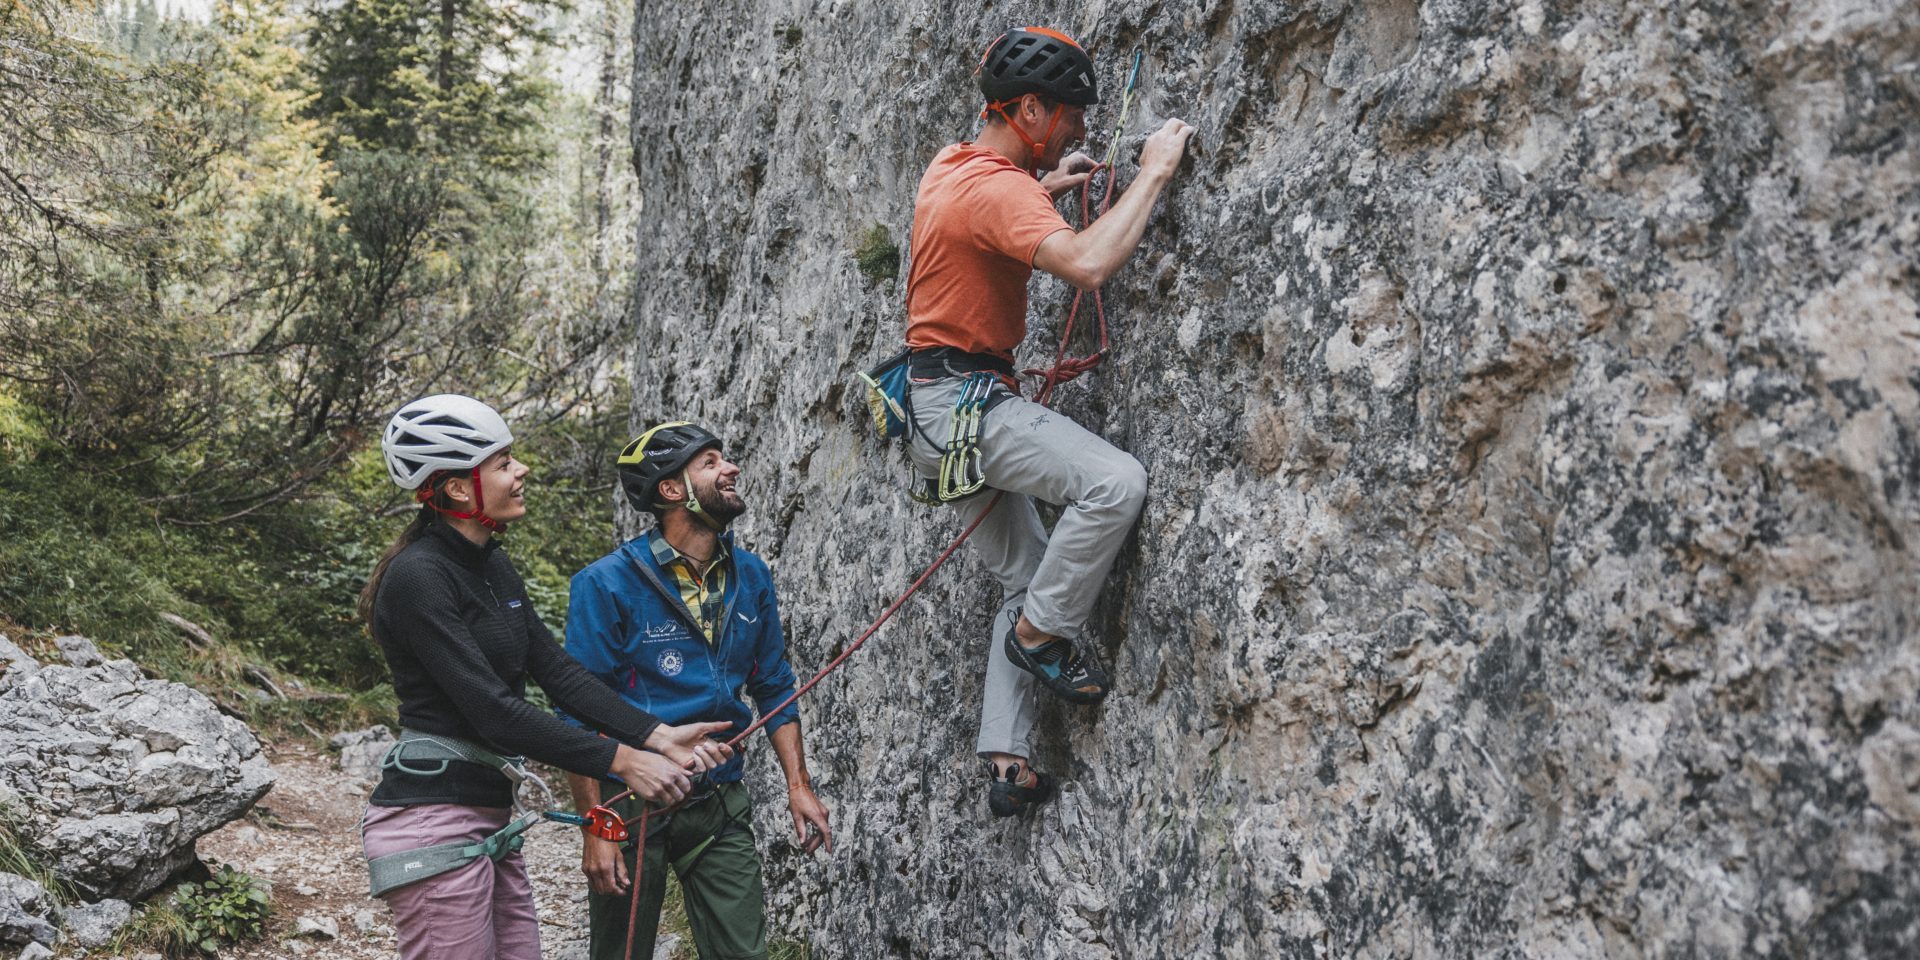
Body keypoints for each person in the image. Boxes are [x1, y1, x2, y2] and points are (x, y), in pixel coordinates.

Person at [899, 27, 1195, 817]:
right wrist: (1154, 175)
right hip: (972, 408)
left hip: (931, 420)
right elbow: (1089, 263)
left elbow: (982, 217)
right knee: (1114, 483)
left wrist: (1051, 187)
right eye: (1068, 116)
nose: (1081, 131)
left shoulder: (953, 168)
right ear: (1028, 107)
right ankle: (1038, 642)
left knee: (1029, 579)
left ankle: (1008, 761)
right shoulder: (1001, 190)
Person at [358, 394, 734, 960]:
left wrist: (656, 736)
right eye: (503, 463)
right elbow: (492, 711)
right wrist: (625, 762)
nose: (521, 470)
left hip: (484, 815)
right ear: (459, 489)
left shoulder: (491, 565)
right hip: (431, 822)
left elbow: (558, 672)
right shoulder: (419, 578)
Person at [560, 421, 831, 960]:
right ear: (670, 489)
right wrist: (597, 826)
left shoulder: (751, 575)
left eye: (722, 458)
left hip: (719, 802)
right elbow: (578, 712)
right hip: (633, 804)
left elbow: (773, 684)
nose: (730, 467)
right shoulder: (606, 584)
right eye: (709, 462)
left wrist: (797, 785)